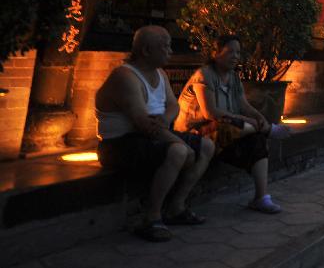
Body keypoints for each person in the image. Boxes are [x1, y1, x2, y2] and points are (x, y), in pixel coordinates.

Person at [95, 25, 214, 242]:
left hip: (153, 135)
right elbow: (144, 124)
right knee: (179, 151)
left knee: (207, 145)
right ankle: (151, 217)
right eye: (165, 46)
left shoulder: (159, 73)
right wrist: (180, 144)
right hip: (120, 144)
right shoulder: (125, 77)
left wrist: (167, 119)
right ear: (146, 50)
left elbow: (173, 105)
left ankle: (176, 207)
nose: (170, 51)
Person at [175, 35, 285, 214]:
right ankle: (267, 130)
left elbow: (244, 105)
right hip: (196, 131)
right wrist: (247, 120)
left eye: (238, 52)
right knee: (239, 127)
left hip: (223, 128)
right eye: (230, 52)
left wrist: (259, 117)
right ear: (216, 53)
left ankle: (261, 197)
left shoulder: (233, 78)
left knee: (256, 140)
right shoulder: (204, 75)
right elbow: (210, 112)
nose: (235, 56)